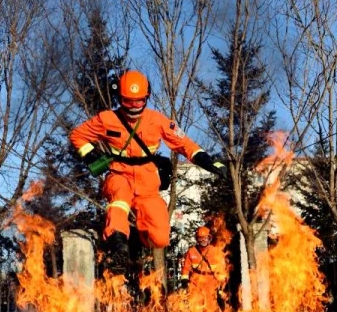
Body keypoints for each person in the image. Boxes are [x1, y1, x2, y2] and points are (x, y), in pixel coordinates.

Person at [70, 70, 227, 275]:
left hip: (147, 183)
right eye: (128, 101)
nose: (134, 107)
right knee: (119, 199)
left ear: (147, 97)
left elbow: (185, 144)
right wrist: (91, 156)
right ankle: (118, 243)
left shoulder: (158, 121)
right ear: (120, 98)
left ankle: (136, 238)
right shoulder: (107, 119)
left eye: (139, 101)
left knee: (161, 238)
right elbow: (78, 135)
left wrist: (209, 163)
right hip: (120, 175)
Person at [179, 226, 227, 291]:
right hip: (195, 283)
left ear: (209, 238)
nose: (203, 240)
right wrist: (184, 281)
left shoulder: (215, 251)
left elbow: (221, 269)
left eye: (205, 238)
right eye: (200, 238)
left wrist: (221, 284)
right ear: (197, 239)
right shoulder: (191, 251)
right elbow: (186, 268)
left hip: (211, 283)